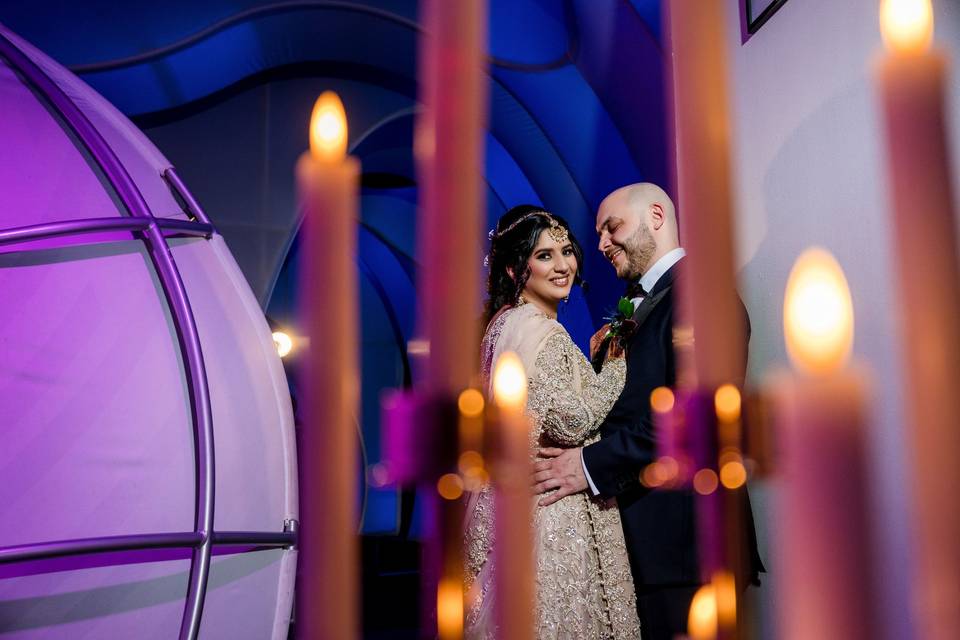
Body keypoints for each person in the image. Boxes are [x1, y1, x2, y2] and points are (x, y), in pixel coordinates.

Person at [531, 183, 763, 640]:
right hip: (643, 542)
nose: (600, 245)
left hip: (687, 546)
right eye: (598, 234)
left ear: (656, 216)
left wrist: (587, 464)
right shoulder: (641, 309)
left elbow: (691, 416)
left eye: (611, 228)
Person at [464, 205, 641, 639]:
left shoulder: (501, 324)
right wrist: (614, 363)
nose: (562, 265)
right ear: (513, 268)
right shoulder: (540, 330)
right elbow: (572, 422)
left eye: (566, 251)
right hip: (551, 510)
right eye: (544, 256)